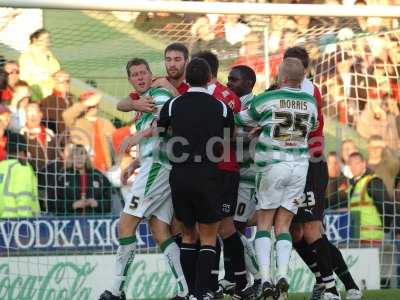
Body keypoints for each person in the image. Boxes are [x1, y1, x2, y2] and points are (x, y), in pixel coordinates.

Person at [99, 58, 188, 300]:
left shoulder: (158, 94)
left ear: (151, 74)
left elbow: (167, 125)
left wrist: (139, 134)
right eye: (134, 75)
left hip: (158, 167)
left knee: (126, 224)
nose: (139, 77)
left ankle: (116, 291)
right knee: (160, 229)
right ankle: (185, 290)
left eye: (143, 73)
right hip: (155, 164)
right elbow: (122, 105)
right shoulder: (142, 101)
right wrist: (135, 163)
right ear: (130, 79)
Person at [235, 57, 318, 299]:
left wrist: (263, 125)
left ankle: (266, 278)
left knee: (264, 223)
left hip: (272, 165)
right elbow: (311, 127)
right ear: (302, 78)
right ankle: (283, 273)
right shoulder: (310, 102)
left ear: (280, 77)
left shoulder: (268, 98)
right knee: (283, 225)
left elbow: (241, 119)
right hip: (299, 167)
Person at [285, 46, 362, 300]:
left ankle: (336, 288)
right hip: (293, 166)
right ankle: (331, 283)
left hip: (309, 164)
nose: (288, 68)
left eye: (293, 64)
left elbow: (299, 131)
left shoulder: (307, 90)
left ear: (304, 69)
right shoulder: (283, 88)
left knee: (311, 230)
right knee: (295, 232)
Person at [157, 57, 233, 299]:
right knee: (209, 238)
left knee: (188, 236)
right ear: (210, 79)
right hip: (209, 175)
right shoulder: (221, 107)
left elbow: (161, 132)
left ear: (186, 79)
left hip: (180, 175)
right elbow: (227, 138)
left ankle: (188, 293)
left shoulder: (172, 104)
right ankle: (202, 293)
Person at [191, 51, 251, 300]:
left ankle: (237, 282)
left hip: (219, 170)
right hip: (220, 170)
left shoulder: (214, 96)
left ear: (205, 71)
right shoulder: (229, 97)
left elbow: (232, 134)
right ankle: (229, 283)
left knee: (221, 227)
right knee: (216, 227)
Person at [225, 65, 262, 297]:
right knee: (229, 228)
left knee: (234, 228)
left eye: (234, 80)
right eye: (228, 79)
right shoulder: (232, 103)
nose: (229, 83)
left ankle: (256, 278)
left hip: (249, 177)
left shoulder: (254, 105)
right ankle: (237, 279)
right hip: (234, 176)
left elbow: (247, 136)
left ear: (249, 83)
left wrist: (222, 135)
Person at [39, 143, 113, 215]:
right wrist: (73, 205)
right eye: (75, 154)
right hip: (69, 222)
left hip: (95, 222)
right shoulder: (61, 177)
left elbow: (110, 203)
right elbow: (50, 204)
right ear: (71, 158)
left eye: (82, 154)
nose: (79, 157)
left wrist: (97, 203)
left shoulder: (98, 176)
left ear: (86, 157)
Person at [117, 42, 189, 114]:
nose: (172, 64)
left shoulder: (193, 86)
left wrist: (168, 86)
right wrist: (134, 105)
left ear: (186, 61)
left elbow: (188, 111)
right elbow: (120, 105)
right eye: (168, 60)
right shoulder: (157, 82)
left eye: (177, 60)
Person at [63, 91, 115, 172]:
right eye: (89, 106)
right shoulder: (76, 122)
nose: (91, 108)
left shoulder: (106, 123)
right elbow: (66, 115)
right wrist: (85, 104)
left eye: (94, 105)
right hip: (85, 167)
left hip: (106, 167)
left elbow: (117, 140)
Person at [348, 152, 393, 243]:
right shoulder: (352, 186)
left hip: (373, 239)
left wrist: (386, 230)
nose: (353, 167)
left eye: (356, 163)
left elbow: (387, 207)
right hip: (356, 239)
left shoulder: (373, 182)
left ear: (364, 163)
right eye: (351, 164)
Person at [0, 131, 39, 218]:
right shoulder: (23, 168)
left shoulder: (1, 167)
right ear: (23, 152)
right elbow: (24, 199)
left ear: (6, 152)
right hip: (15, 225)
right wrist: (25, 224)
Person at [19, 28, 60, 100]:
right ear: (35, 40)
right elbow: (27, 76)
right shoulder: (28, 55)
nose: (47, 41)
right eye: (44, 39)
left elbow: (57, 71)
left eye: (48, 38)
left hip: (51, 92)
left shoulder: (49, 55)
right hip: (36, 92)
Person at [19, 102, 57, 172]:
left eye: (35, 112)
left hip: (51, 176)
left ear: (41, 115)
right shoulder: (20, 135)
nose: (32, 116)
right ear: (25, 116)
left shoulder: (49, 132)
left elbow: (57, 155)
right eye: (29, 112)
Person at [40, 70, 75, 135]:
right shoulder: (48, 102)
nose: (66, 84)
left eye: (68, 81)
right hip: (59, 138)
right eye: (62, 82)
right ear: (55, 83)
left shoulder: (71, 99)